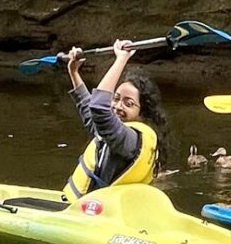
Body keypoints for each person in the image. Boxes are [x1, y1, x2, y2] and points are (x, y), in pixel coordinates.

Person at [62, 43, 174, 202]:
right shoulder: (119, 134)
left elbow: (98, 108)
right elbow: (92, 116)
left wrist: (121, 59)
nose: (118, 106)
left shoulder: (130, 140)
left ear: (141, 113)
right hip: (90, 209)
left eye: (128, 103)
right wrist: (74, 72)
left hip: (98, 217)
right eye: (115, 98)